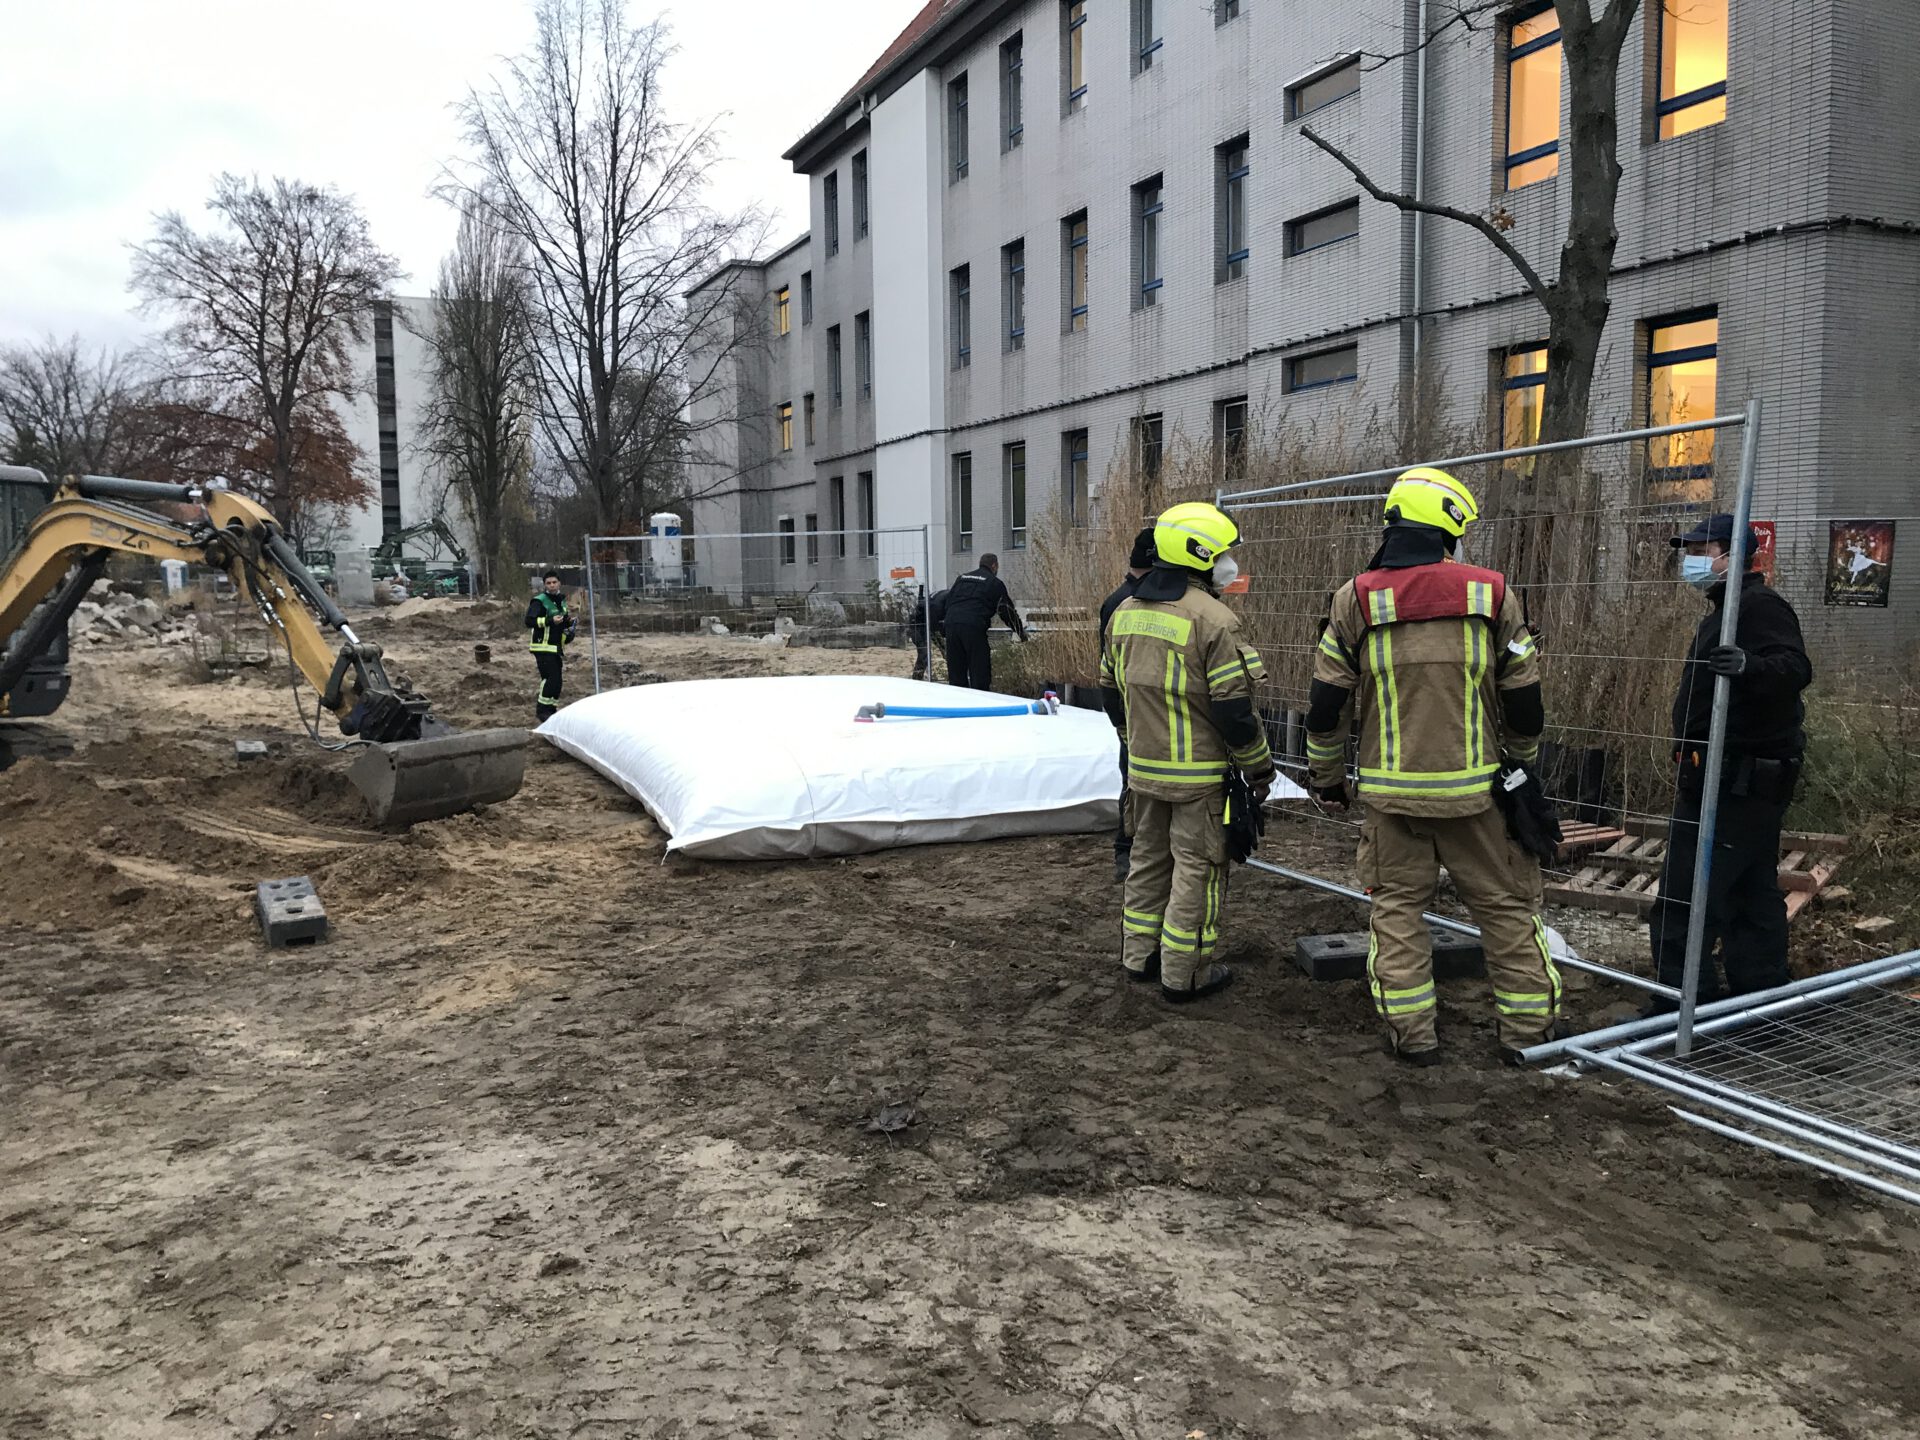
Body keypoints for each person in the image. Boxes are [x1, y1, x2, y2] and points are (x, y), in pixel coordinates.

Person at [1306, 467, 1558, 1066]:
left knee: (1396, 912)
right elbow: (1525, 696)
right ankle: (1526, 1037)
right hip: (1476, 795)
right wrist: (1520, 768)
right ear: (1447, 524)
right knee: (1505, 910)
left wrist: (1326, 778)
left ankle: (1413, 1038)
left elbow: (1325, 704)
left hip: (1391, 801)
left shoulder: (1355, 598)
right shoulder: (1492, 592)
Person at [1102, 503, 1275, 1003]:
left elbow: (1110, 692)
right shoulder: (1215, 620)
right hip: (1198, 778)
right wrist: (1259, 768)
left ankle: (1138, 957)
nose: (1228, 564)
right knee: (1197, 867)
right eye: (1222, 554)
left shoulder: (1125, 613)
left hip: (1143, 772)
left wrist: (1133, 746)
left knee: (1148, 860)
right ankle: (1185, 974)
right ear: (1199, 555)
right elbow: (1236, 712)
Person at [1646, 514, 1812, 1009]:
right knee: (1749, 892)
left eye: (1702, 547)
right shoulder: (1725, 609)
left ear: (1732, 554)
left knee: (1683, 898)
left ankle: (1677, 1005)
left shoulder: (1759, 606)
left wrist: (1750, 666)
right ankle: (1758, 993)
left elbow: (1795, 668)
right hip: (1730, 777)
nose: (1692, 558)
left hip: (1736, 780)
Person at [1100, 528, 1157, 883]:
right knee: (1133, 782)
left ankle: (1133, 850)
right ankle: (1126, 849)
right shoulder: (1129, 603)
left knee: (1133, 781)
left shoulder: (1118, 600)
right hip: (1137, 713)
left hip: (1131, 711)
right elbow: (1110, 667)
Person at [942, 554, 1028, 690]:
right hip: (973, 628)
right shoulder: (994, 583)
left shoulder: (962, 579)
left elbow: (948, 602)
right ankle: (980, 706)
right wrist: (1021, 633)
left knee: (956, 675)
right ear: (994, 566)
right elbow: (1006, 611)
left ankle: (958, 706)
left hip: (951, 625)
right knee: (979, 673)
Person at [525, 571, 576, 722]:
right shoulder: (539, 601)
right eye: (548, 583)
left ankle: (551, 710)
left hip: (555, 647)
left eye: (554, 582)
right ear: (545, 585)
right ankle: (542, 711)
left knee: (557, 681)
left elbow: (560, 622)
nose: (552, 585)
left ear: (559, 583)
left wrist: (568, 625)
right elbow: (529, 621)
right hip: (542, 646)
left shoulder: (561, 600)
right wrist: (549, 620)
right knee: (550, 679)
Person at [909, 585, 947, 682]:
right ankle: (917, 679)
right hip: (920, 624)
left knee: (946, 650)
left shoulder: (945, 595)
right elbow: (937, 627)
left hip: (928, 621)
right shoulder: (945, 600)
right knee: (924, 653)